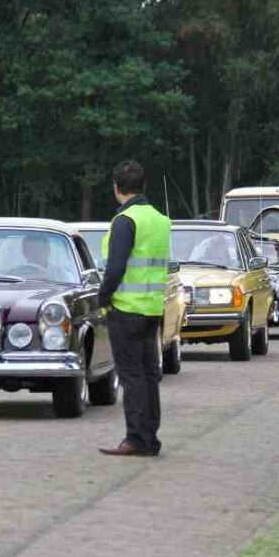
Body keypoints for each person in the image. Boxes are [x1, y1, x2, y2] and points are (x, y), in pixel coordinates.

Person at [98, 161, 171, 457]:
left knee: (131, 377)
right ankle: (150, 438)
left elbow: (115, 267)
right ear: (143, 187)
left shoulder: (125, 220)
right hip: (153, 309)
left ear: (117, 188)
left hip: (126, 310)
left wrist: (103, 297)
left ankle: (136, 439)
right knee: (149, 374)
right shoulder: (160, 219)